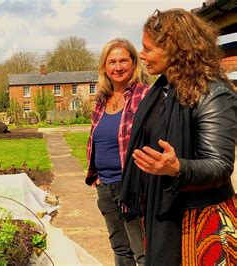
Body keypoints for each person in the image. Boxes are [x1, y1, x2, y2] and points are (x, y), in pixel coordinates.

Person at [120, 8, 236, 265]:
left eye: (148, 49)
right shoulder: (161, 91)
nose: (142, 55)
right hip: (164, 213)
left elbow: (220, 165)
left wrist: (176, 167)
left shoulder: (213, 93)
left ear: (175, 49)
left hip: (202, 220)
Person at [85, 38, 149, 265]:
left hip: (132, 186)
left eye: (123, 60)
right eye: (112, 61)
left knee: (142, 252)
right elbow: (96, 139)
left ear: (134, 63)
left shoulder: (144, 96)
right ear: (104, 67)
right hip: (105, 186)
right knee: (120, 250)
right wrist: (97, 177)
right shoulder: (102, 99)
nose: (118, 67)